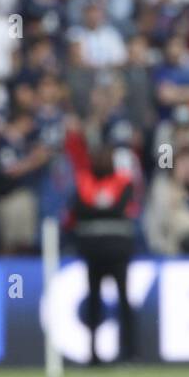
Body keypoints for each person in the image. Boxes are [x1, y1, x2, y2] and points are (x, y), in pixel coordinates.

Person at [67, 141, 137, 363]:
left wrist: (96, 208)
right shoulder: (83, 180)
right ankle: (93, 353)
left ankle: (130, 351)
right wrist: (104, 208)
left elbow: (118, 209)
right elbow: (79, 209)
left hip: (117, 250)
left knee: (124, 300)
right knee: (94, 302)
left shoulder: (123, 181)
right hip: (94, 250)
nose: (102, 163)